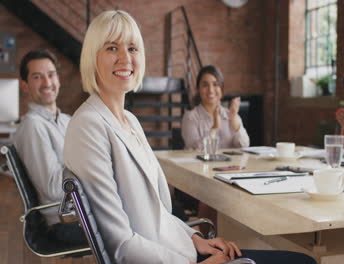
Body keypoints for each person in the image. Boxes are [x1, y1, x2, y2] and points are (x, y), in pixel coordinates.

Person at [64, 10, 316, 264]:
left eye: (132, 48)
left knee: (301, 260)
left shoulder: (130, 121)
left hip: (180, 250)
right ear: (92, 57)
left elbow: (158, 213)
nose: (125, 58)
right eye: (111, 48)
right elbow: (118, 245)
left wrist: (196, 238)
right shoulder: (88, 126)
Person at [13, 49, 87, 246]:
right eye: (37, 77)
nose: (47, 83)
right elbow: (55, 190)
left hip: (85, 210)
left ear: (58, 80)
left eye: (51, 74)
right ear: (25, 85)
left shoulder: (66, 121)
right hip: (66, 220)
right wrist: (90, 163)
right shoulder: (32, 126)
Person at [181, 65, 249, 150]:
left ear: (221, 88)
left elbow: (244, 145)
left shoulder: (231, 115)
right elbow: (194, 149)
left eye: (215, 84)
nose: (211, 90)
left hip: (230, 163)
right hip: (201, 164)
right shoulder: (190, 117)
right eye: (205, 85)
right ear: (198, 89)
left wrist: (234, 120)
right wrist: (214, 128)